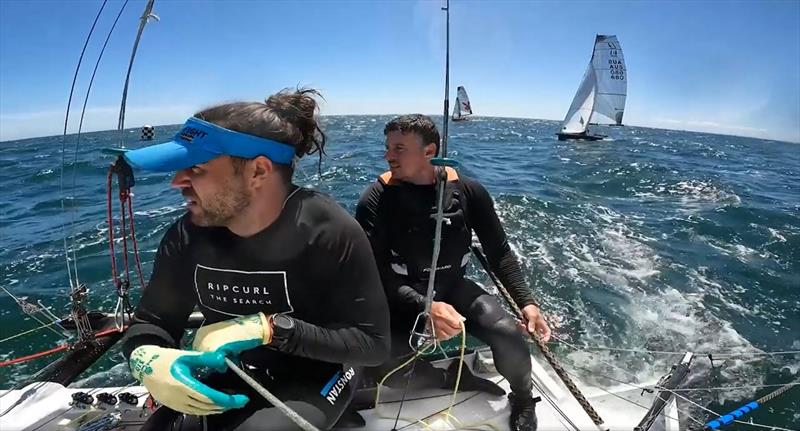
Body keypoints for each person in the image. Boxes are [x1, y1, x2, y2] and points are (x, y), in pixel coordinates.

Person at [120, 88, 390, 431]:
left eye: (196, 169)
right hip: (236, 370)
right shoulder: (186, 236)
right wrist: (147, 356)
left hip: (322, 371)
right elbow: (154, 321)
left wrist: (271, 329)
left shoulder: (327, 230)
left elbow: (373, 344)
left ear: (258, 171)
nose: (177, 182)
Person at [355, 114, 551, 431]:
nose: (388, 155)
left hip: (453, 287)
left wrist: (527, 302)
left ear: (429, 151)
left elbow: (499, 252)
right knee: (379, 357)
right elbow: (374, 274)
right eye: (388, 147)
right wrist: (425, 306)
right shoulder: (376, 199)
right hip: (402, 296)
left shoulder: (469, 192)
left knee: (506, 332)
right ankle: (447, 376)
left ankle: (524, 399)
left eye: (399, 148)